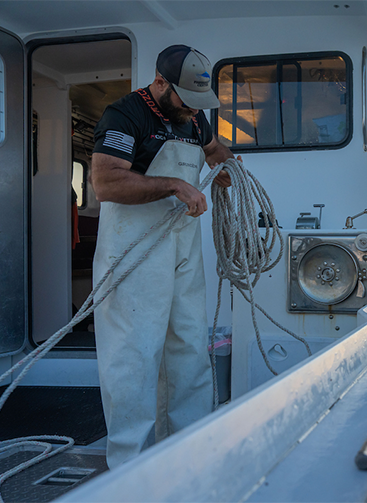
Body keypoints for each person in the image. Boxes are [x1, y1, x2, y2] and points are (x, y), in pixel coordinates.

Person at [91, 45, 234, 469]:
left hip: (183, 248)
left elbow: (213, 150)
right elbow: (105, 182)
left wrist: (226, 166)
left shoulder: (193, 115)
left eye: (199, 106)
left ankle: (188, 455)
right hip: (134, 248)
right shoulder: (124, 115)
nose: (194, 114)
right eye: (188, 104)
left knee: (189, 345)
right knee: (134, 353)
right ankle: (130, 468)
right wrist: (174, 185)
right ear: (160, 84)